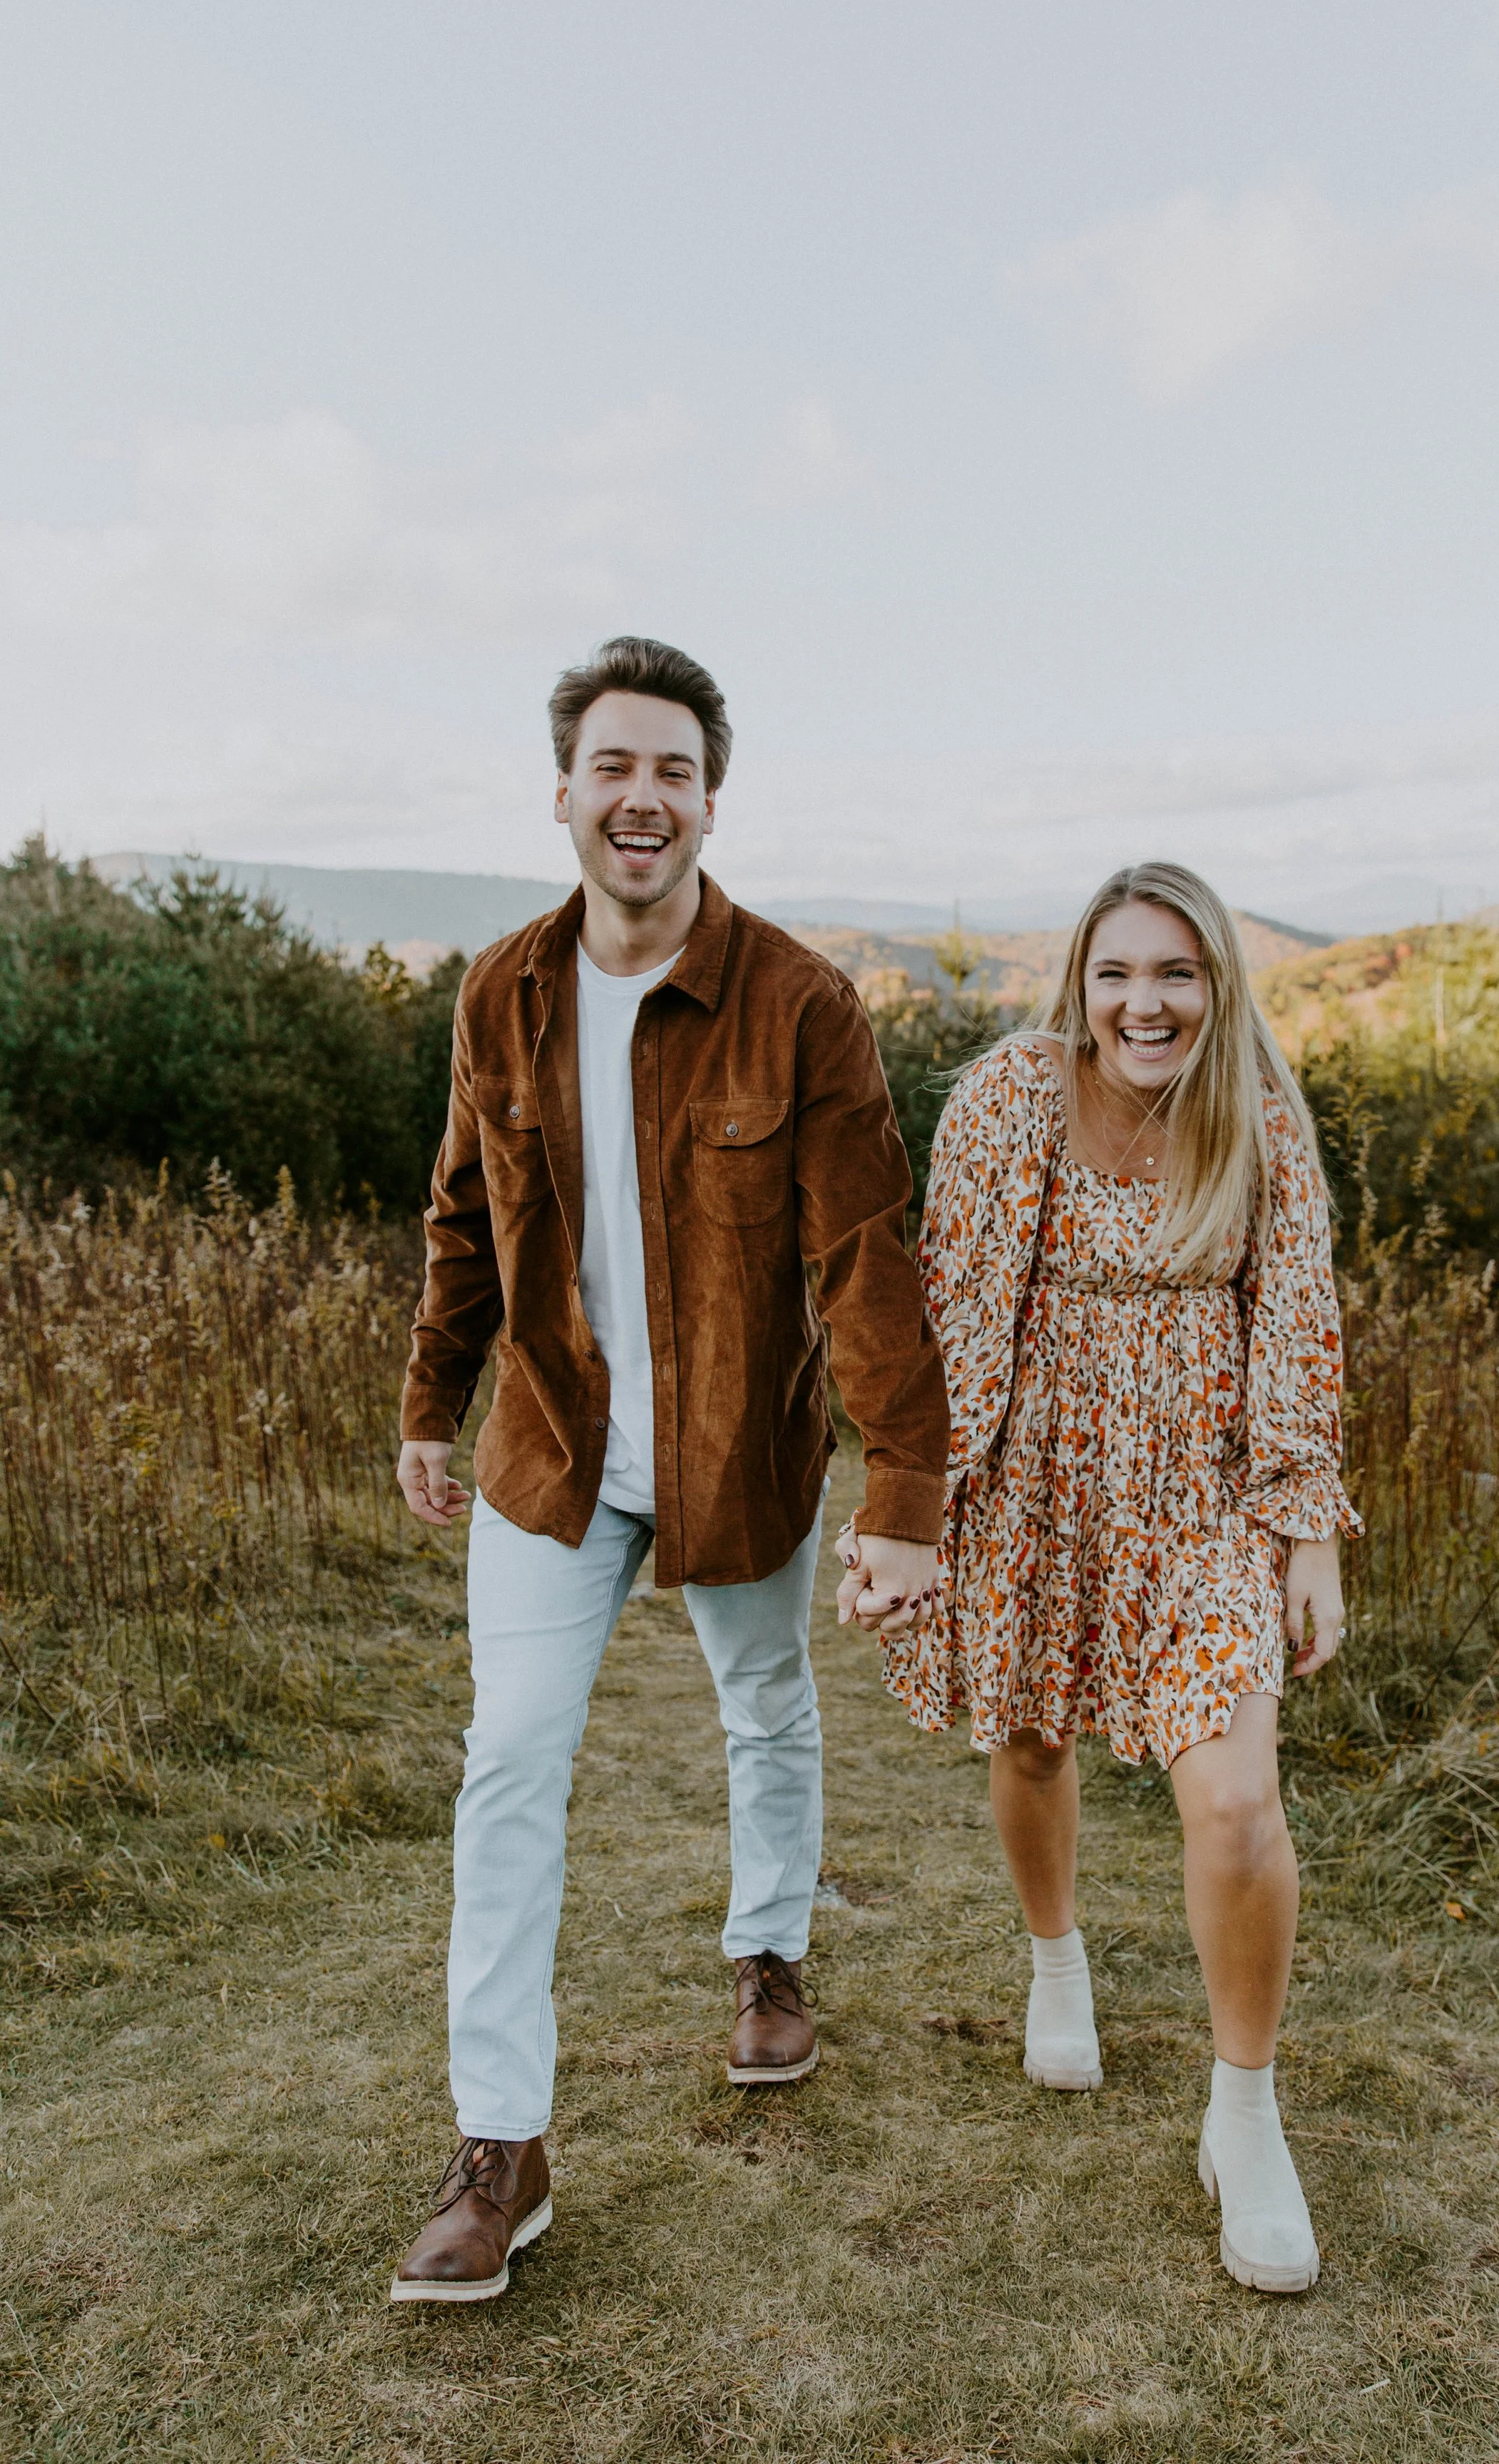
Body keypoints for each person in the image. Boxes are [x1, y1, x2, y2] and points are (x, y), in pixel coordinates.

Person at [390, 635, 945, 2306]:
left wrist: (904, 1491)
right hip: (551, 1453)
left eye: (675, 773)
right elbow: (457, 1216)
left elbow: (865, 1256)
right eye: (615, 769)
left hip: (737, 1452)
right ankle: (502, 2146)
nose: (644, 800)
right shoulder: (502, 989)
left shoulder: (799, 1004)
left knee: (765, 1704)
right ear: (564, 792)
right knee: (507, 1763)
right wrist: (433, 1399)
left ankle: (768, 1954)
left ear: (711, 800)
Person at [854, 861, 1359, 2294]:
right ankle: (1055, 1958)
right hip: (1037, 1475)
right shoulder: (1005, 1098)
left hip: (1203, 1493)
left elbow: (1298, 1318)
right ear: (1078, 984)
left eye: (1176, 974)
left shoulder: (1255, 1113)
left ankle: (1243, 2116)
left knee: (1239, 1799)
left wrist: (1303, 1528)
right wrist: (911, 1512)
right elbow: (947, 1306)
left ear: (1215, 987)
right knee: (1026, 1736)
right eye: (1119, 973)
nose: (1146, 1002)